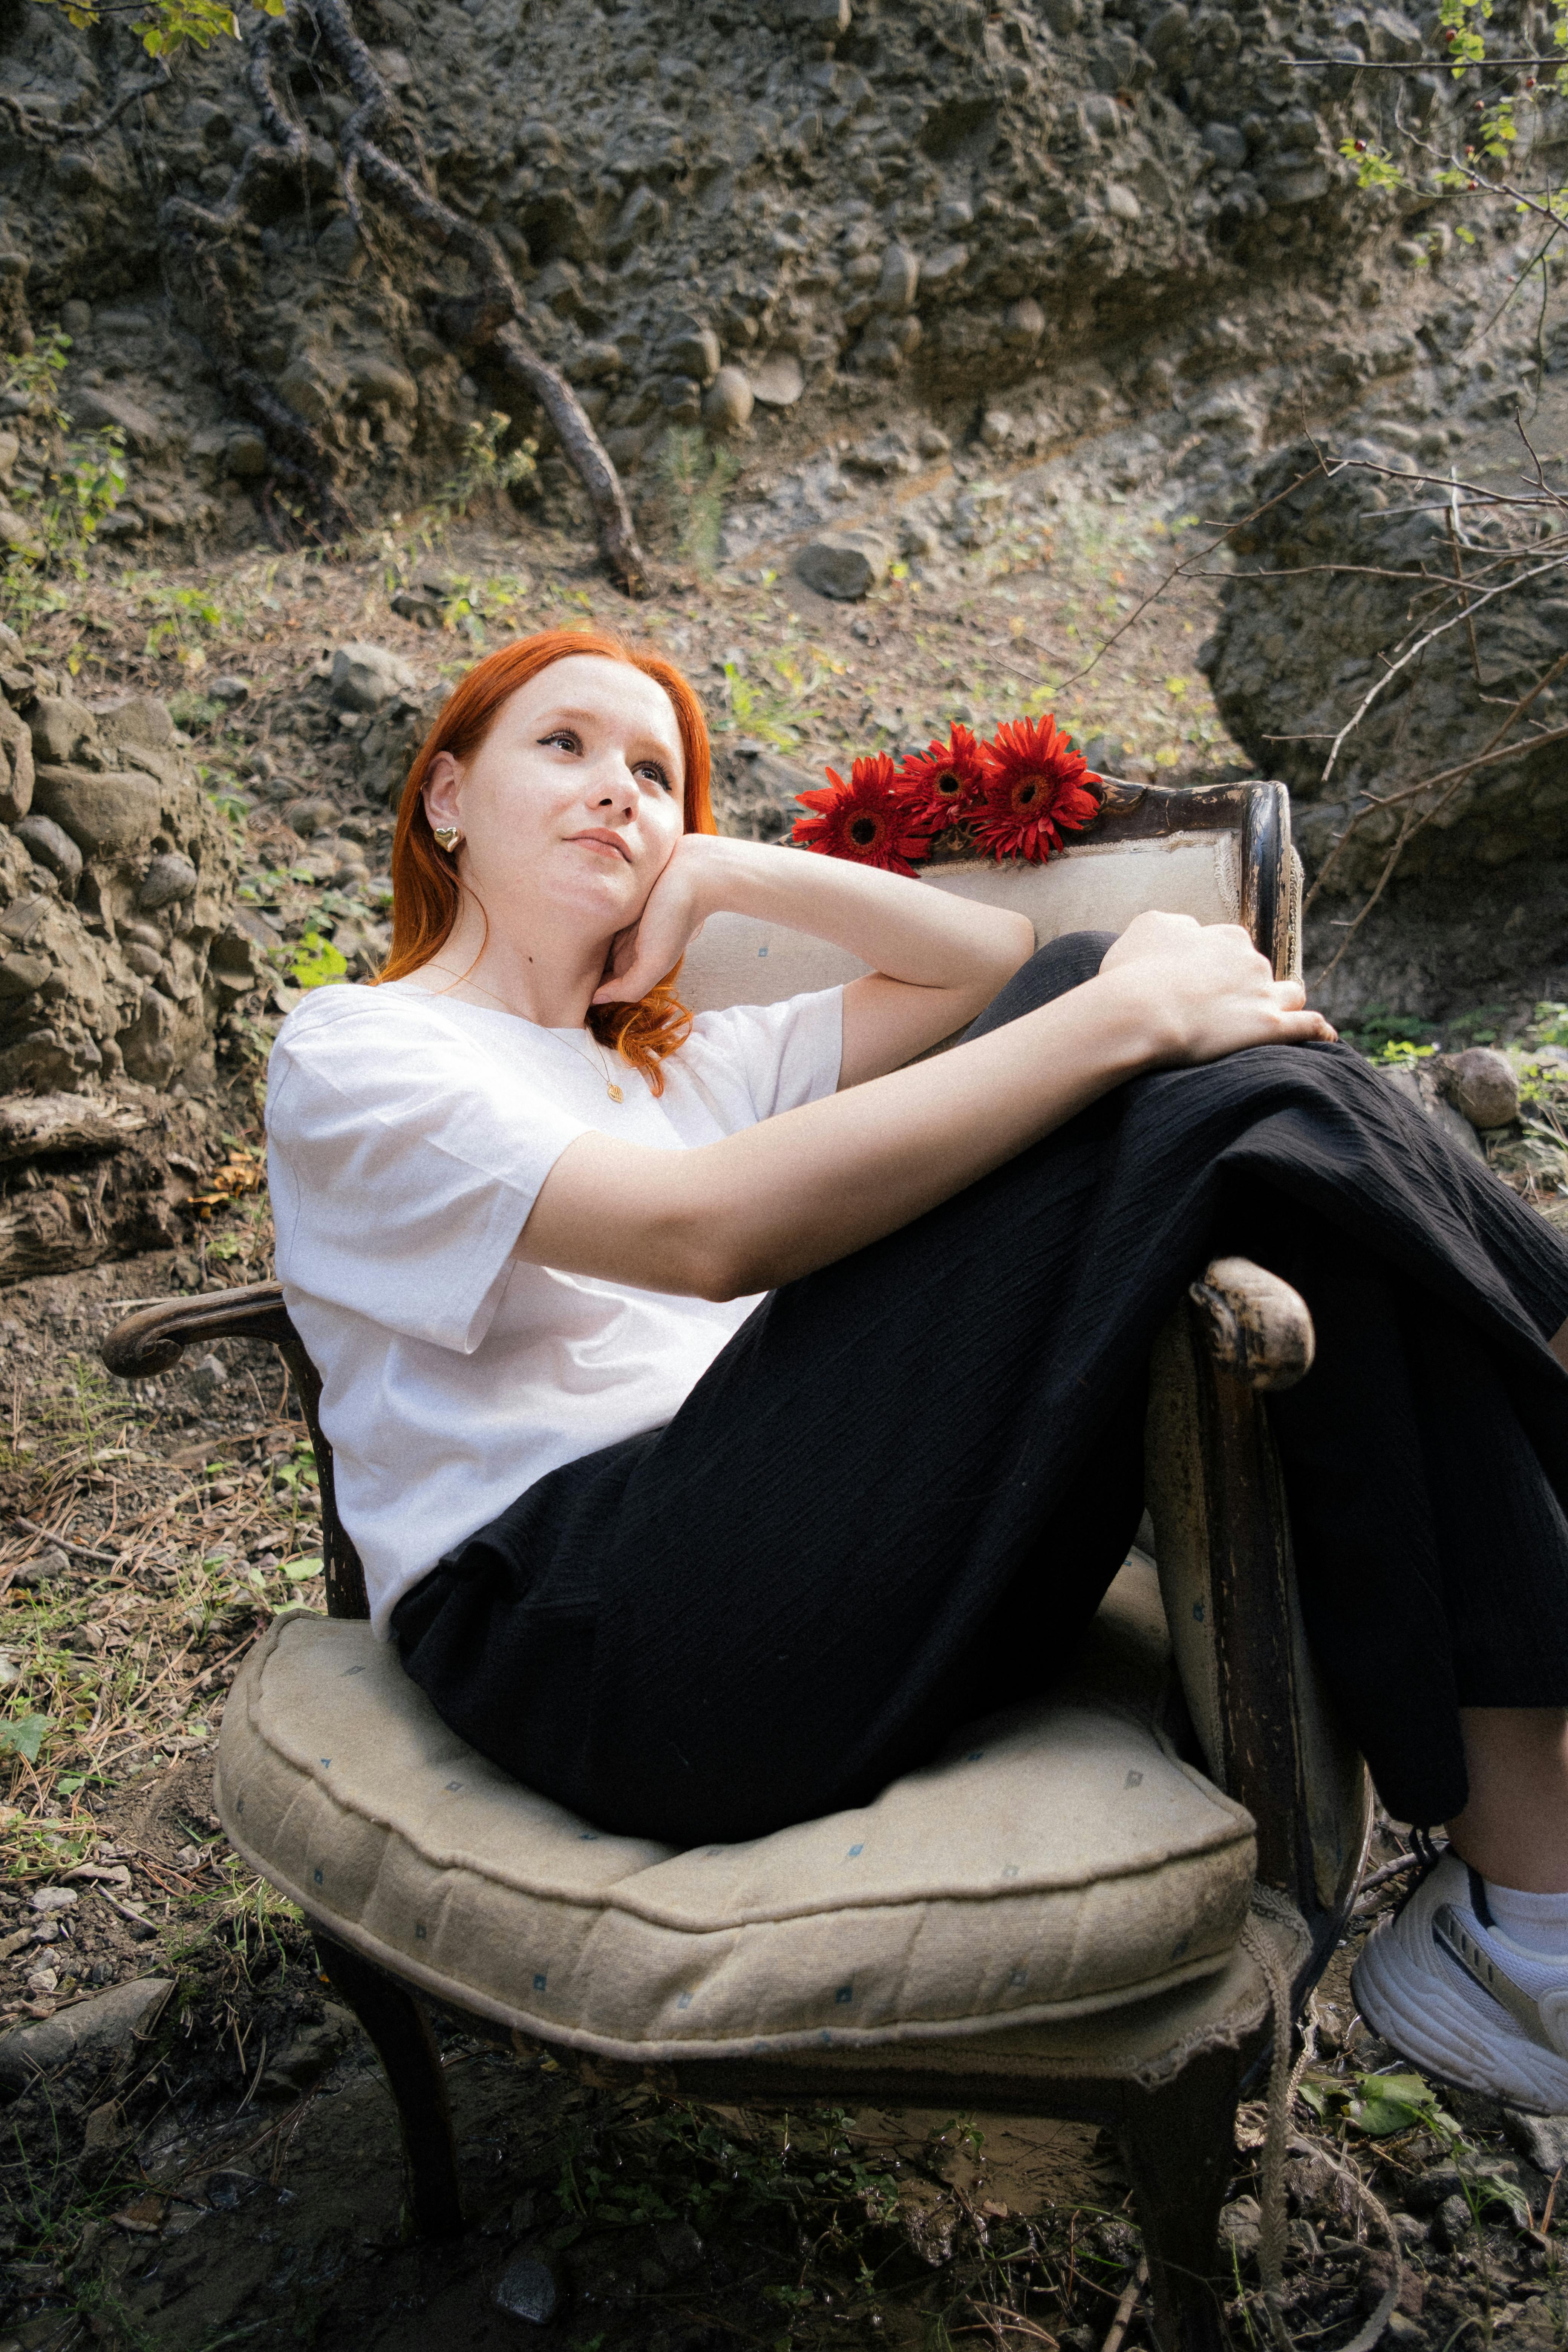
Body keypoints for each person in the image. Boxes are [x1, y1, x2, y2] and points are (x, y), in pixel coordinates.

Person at [265, 626, 1568, 2113]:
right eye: (560, 747)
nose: (617, 793)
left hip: (821, 1581)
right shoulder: (363, 1049)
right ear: (444, 796)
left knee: (1210, 1099)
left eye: (653, 773)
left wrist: (723, 869)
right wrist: (1127, 1007)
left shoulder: (690, 1067)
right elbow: (699, 1235)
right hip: (596, 1641)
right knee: (1147, 1039)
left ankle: (1525, 1924)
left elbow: (986, 960)